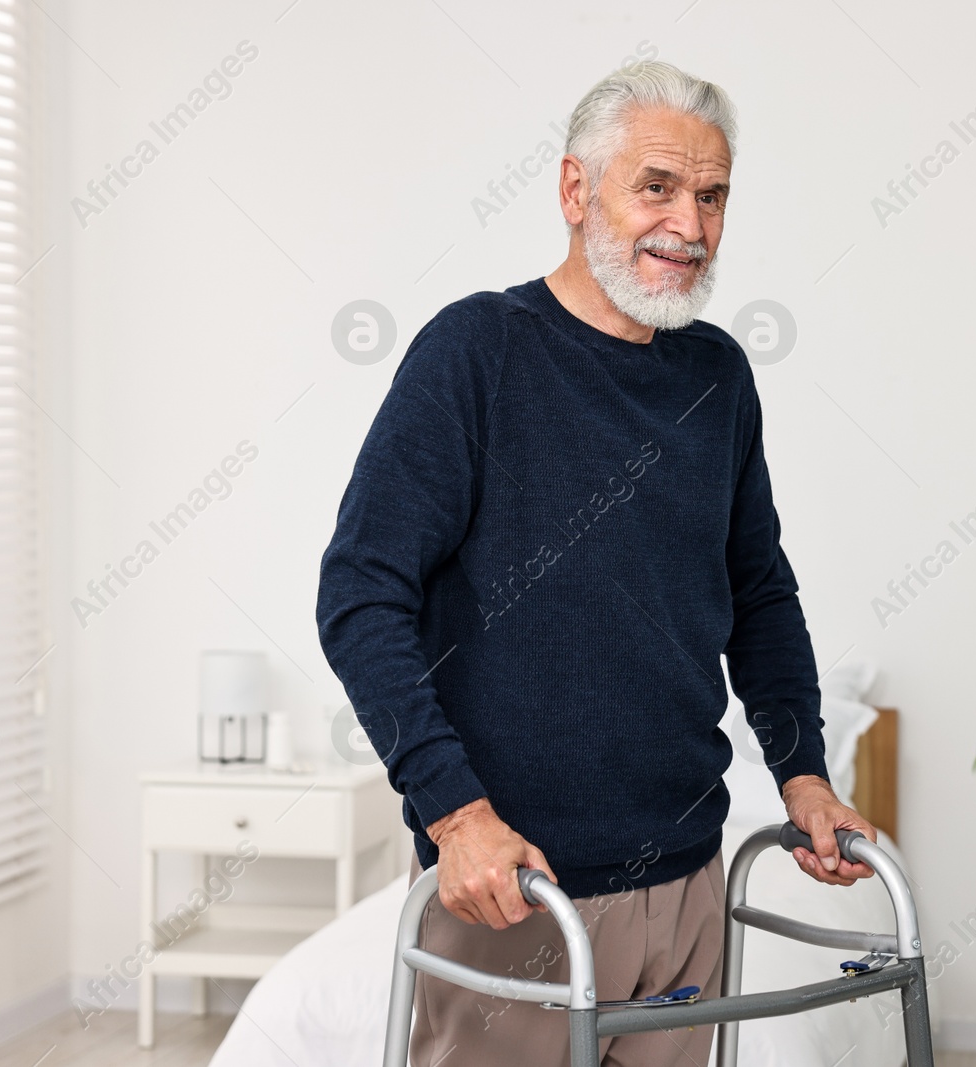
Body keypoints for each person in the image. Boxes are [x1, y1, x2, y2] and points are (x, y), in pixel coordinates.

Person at [316, 59, 879, 1067]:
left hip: (685, 879)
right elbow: (360, 592)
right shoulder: (476, 351)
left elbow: (759, 593)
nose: (690, 226)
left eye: (711, 196)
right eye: (656, 186)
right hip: (515, 887)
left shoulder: (718, 376)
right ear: (576, 191)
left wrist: (801, 774)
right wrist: (455, 812)